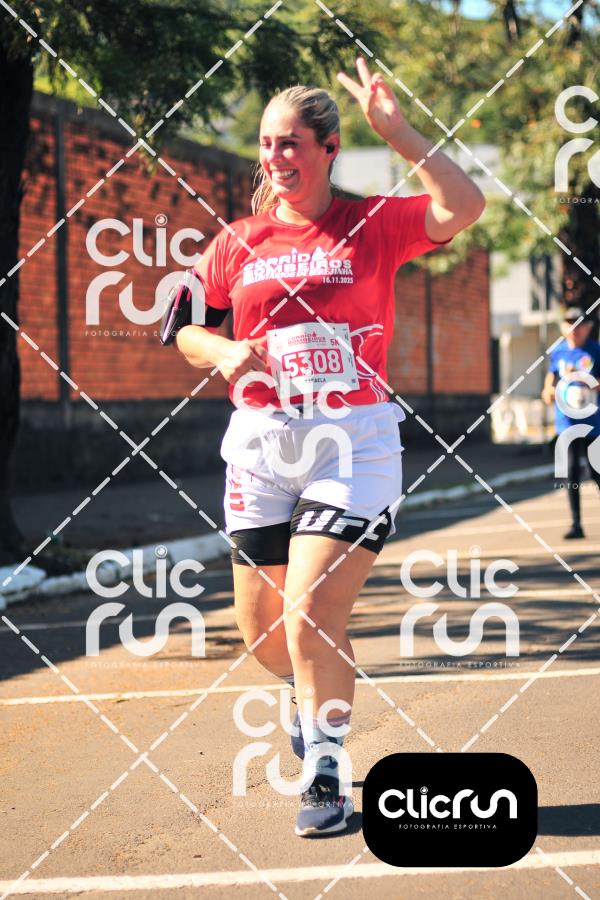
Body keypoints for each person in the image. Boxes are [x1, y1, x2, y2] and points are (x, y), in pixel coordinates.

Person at [176, 58, 485, 836]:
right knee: (266, 637)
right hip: (261, 444)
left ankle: (325, 767)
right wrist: (224, 351)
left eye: (291, 143)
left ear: (328, 148)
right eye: (267, 143)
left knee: (312, 611)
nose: (276, 157)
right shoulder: (237, 241)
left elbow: (465, 204)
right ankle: (305, 690)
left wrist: (399, 131)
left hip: (354, 442)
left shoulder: (373, 222)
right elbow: (184, 329)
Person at [542, 306, 600, 539]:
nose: (574, 328)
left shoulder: (595, 351)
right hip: (566, 424)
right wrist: (549, 392)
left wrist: (589, 384)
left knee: (596, 471)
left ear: (588, 327)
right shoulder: (558, 353)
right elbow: (549, 384)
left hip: (593, 423)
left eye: (579, 324)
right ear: (563, 327)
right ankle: (576, 525)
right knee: (571, 472)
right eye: (569, 323)